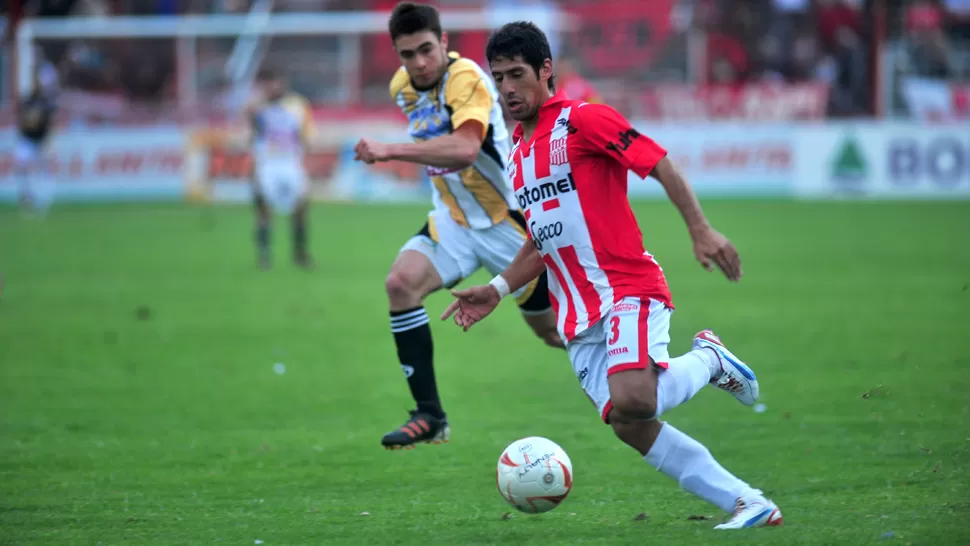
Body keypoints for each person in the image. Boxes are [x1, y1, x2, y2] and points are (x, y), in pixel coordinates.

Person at [442, 21, 783, 530]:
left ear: (546, 70)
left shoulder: (584, 121)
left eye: (517, 74)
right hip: (576, 317)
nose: (508, 88)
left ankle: (709, 360)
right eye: (499, 78)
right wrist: (495, 290)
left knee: (634, 398)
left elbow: (659, 163)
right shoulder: (515, 153)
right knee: (629, 424)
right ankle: (748, 501)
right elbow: (541, 242)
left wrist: (701, 230)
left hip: (627, 288)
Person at [353, 2, 563, 451]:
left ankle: (642, 366)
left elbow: (467, 148)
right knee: (400, 285)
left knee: (554, 332)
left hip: (507, 224)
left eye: (427, 49)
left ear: (444, 42)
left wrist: (390, 150)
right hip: (453, 219)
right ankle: (429, 415)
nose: (419, 62)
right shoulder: (401, 87)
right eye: (407, 54)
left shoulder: (467, 77)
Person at [246, 69, 315, 270]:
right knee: (263, 211)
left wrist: (306, 159)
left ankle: (300, 254)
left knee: (301, 208)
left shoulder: (297, 105)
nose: (272, 87)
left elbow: (304, 134)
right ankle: (264, 256)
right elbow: (251, 135)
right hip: (267, 163)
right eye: (267, 83)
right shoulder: (256, 107)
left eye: (275, 82)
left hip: (291, 162)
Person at [15, 70, 57, 215]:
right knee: (23, 168)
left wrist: (48, 140)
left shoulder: (46, 102)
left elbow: (49, 124)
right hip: (27, 139)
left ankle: (43, 199)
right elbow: (22, 120)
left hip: (40, 140)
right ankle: (27, 197)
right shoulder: (27, 101)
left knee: (43, 171)